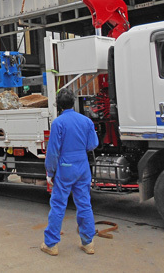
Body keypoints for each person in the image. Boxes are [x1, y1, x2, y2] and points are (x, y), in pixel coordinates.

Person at [41, 88, 99, 256]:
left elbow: (53, 152)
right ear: (73, 102)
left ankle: (51, 244)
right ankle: (88, 243)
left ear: (59, 105)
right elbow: (92, 144)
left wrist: (50, 172)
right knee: (84, 204)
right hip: (82, 165)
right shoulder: (86, 121)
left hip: (65, 167)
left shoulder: (58, 123)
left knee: (58, 205)